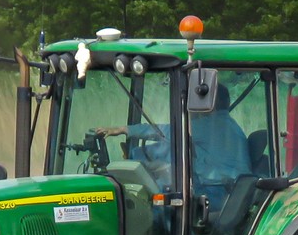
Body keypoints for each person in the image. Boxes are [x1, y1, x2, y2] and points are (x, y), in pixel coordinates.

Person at [97, 84, 249, 209]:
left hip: (219, 192)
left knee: (166, 194)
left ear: (208, 103)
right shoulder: (228, 125)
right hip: (227, 187)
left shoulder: (212, 125)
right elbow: (180, 145)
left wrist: (125, 129)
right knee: (172, 168)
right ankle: (139, 158)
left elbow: (170, 132)